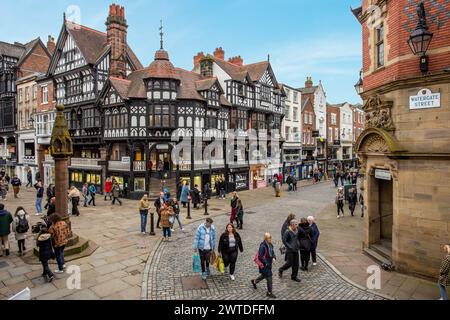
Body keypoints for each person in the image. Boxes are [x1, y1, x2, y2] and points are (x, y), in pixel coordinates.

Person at [251, 233, 277, 299]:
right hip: (264, 265)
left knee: (264, 275)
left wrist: (274, 257)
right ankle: (269, 292)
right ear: (265, 239)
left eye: (271, 237)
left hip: (269, 264)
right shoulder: (262, 246)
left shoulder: (270, 245)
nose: (270, 239)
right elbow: (260, 256)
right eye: (269, 238)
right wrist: (265, 263)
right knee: (269, 277)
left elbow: (272, 252)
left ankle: (254, 281)